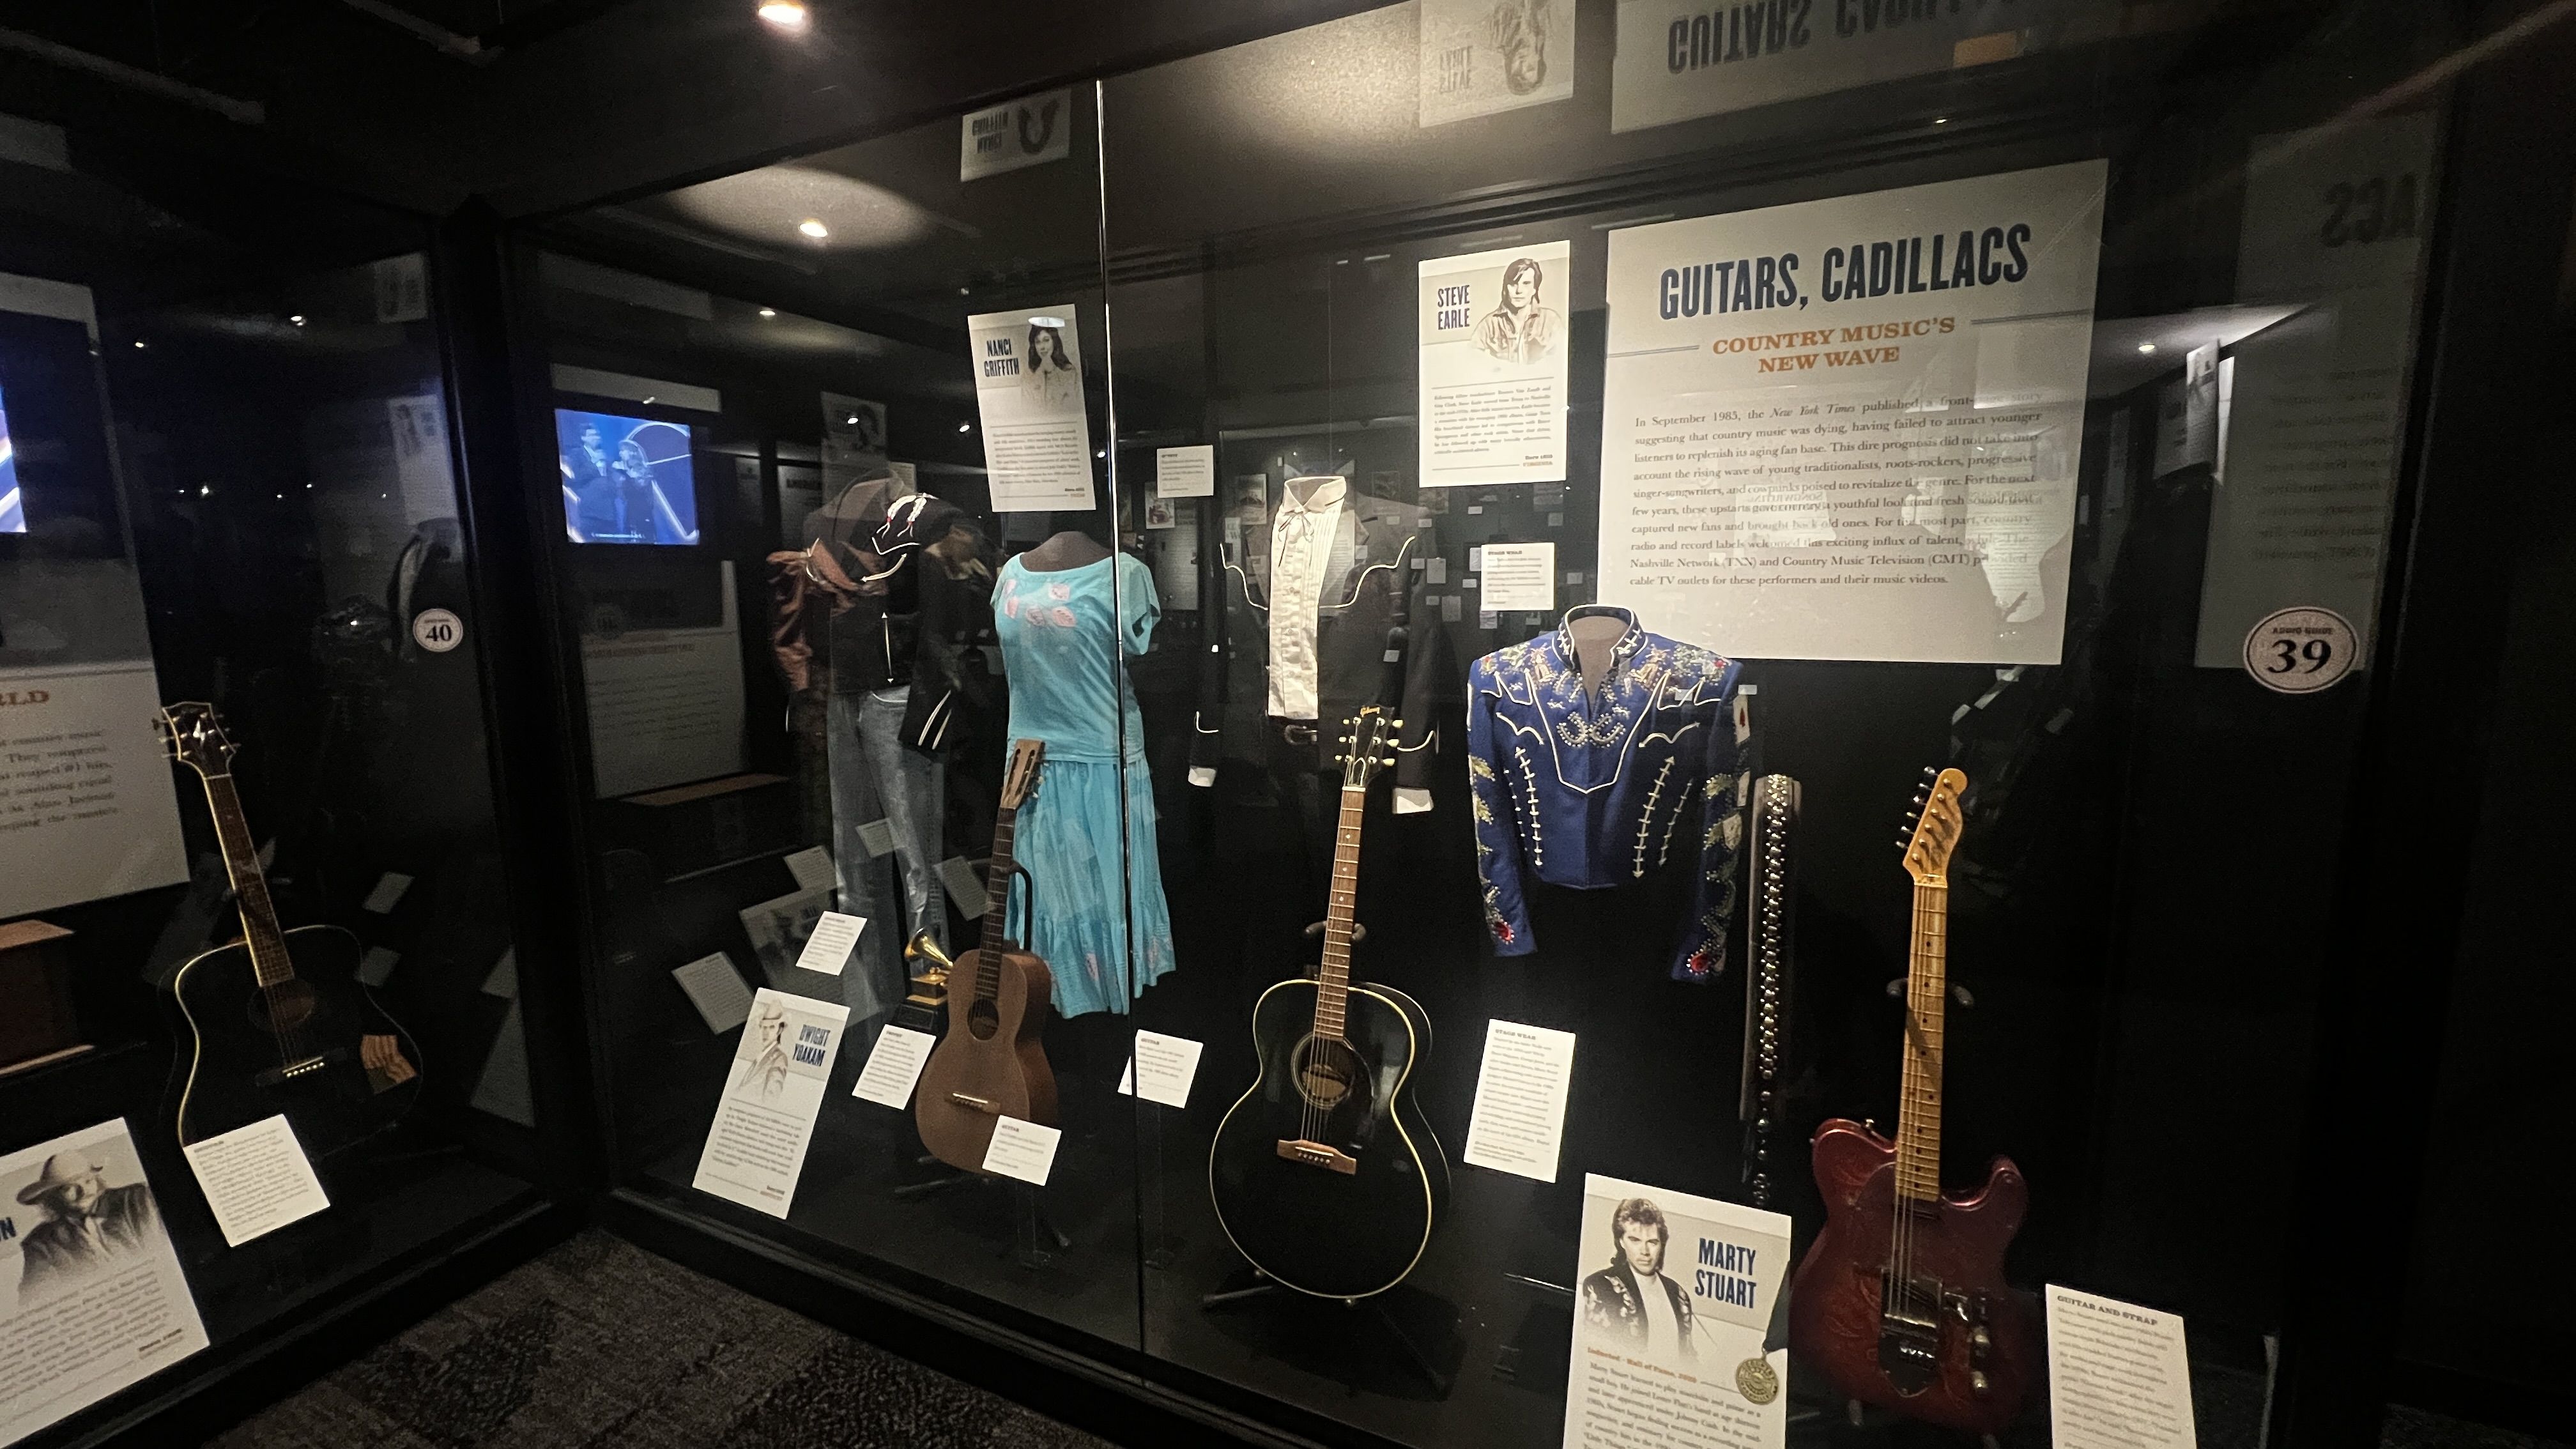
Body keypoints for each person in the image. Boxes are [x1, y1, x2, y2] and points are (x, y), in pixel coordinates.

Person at [15, 1153, 160, 1300]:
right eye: (69, 1188)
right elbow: (36, 1298)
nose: (84, 1192)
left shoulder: (136, 1200)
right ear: (53, 1196)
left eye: (88, 1181)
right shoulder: (41, 1243)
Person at [1580, 1197, 1697, 1365]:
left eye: (1652, 1242)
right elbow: (1598, 1349)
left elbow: (1687, 1356)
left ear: (1661, 1244)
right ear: (1621, 1241)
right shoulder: (1601, 1285)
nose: (1645, 1251)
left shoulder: (1677, 1292)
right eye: (1635, 1240)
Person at [1474, 256, 1565, 366]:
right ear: (1506, 288)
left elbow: (1560, 361)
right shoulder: (1489, 325)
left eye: (1526, 283)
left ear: (1535, 289)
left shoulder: (1551, 321)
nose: (1519, 290)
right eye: (1513, 284)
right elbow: (1471, 360)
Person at [1488, 0, 1554, 96]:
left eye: (1517, 70)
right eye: (1530, 67)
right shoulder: (1549, 29)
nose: (1523, 63)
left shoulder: (1498, 37)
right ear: (1539, 60)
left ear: (1509, 67)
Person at [735, 1004, 793, 1100]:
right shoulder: (761, 1055)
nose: (766, 1033)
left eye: (771, 1027)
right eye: (764, 1027)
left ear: (780, 1030)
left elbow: (771, 1096)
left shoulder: (779, 1058)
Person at [1023, 325, 1081, 411]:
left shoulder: (1070, 372)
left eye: (1046, 340)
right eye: (1038, 342)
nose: (1042, 347)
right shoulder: (1028, 376)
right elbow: (1026, 411)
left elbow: (1076, 406)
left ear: (1054, 341)